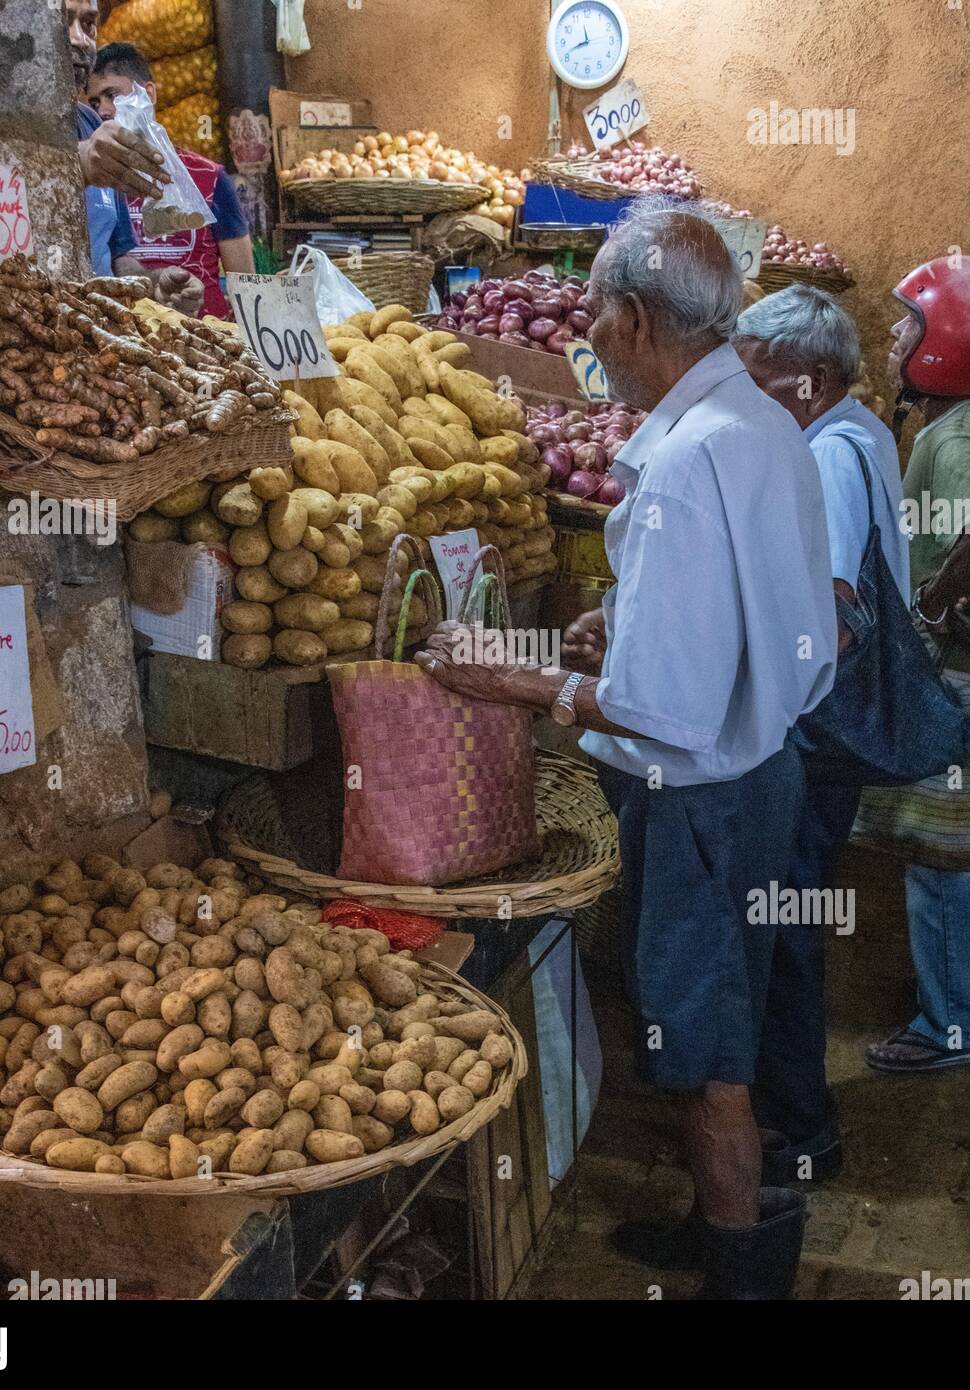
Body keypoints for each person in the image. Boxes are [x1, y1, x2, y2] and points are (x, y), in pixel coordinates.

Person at [414, 198, 838, 1299]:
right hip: (758, 779)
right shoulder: (760, 427)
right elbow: (764, 621)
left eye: (595, 314)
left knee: (705, 1060)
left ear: (638, 319)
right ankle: (720, 1227)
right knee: (720, 1017)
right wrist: (634, 627)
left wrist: (508, 677)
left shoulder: (691, 461)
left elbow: (666, 710)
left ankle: (742, 1268)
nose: (585, 336)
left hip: (702, 796)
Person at [732, 285, 906, 1178]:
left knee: (786, 925)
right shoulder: (863, 432)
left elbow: (832, 617)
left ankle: (799, 1130)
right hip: (838, 730)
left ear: (813, 379)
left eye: (759, 377)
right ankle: (793, 1117)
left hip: (817, 731)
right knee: (792, 914)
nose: (745, 391)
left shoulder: (828, 460)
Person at [865, 254, 970, 1073]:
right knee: (963, 848)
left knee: (937, 854)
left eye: (907, 324)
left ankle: (950, 1027)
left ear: (946, 345)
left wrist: (935, 601)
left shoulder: (955, 435)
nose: (894, 336)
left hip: (947, 664)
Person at [88, 43, 254, 318]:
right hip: (133, 338)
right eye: (94, 103)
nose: (103, 111)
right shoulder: (98, 185)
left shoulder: (210, 178)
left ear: (148, 94)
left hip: (208, 336)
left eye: (111, 95)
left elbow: (247, 286)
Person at [65, 0, 203, 313]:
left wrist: (153, 285)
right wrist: (79, 162)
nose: (79, 39)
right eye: (64, 23)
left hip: (95, 334)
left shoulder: (91, 126)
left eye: (87, 24)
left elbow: (118, 259)